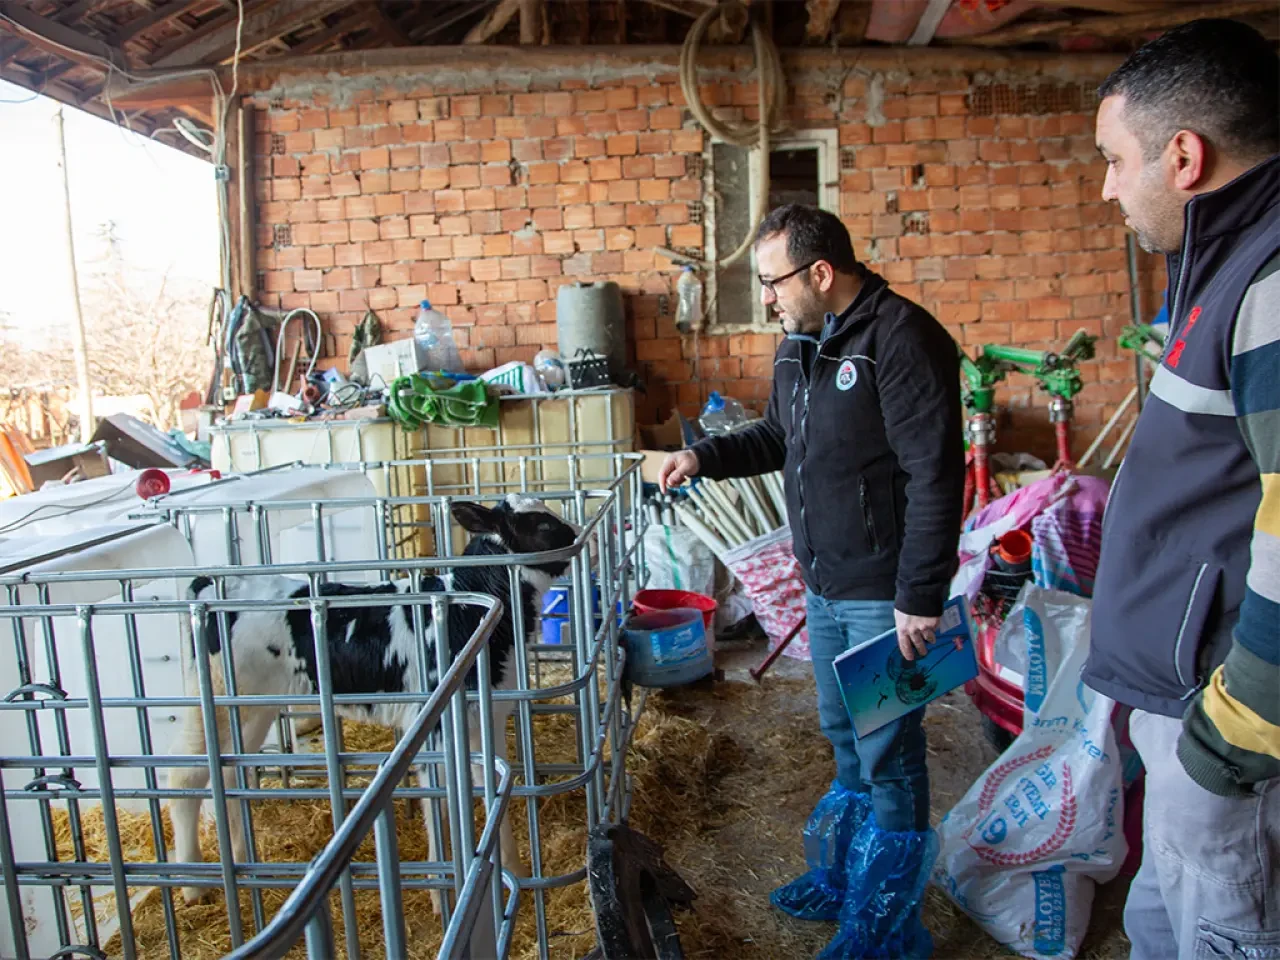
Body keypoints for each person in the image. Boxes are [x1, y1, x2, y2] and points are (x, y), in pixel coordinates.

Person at [659, 204, 964, 959]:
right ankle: (843, 878)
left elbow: (935, 475)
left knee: (890, 749)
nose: (767, 298)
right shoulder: (799, 345)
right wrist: (703, 457)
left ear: (820, 272)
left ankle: (885, 924)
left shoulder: (903, 339)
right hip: (823, 586)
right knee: (842, 733)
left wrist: (919, 595)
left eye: (772, 282)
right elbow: (777, 438)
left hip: (882, 594)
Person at [1084, 18, 1279, 960]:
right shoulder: (1217, 263)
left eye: (1116, 161)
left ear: (1186, 156)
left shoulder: (1271, 280)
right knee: (1160, 925)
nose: (1109, 186)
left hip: (1232, 735)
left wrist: (1232, 733)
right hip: (1188, 697)